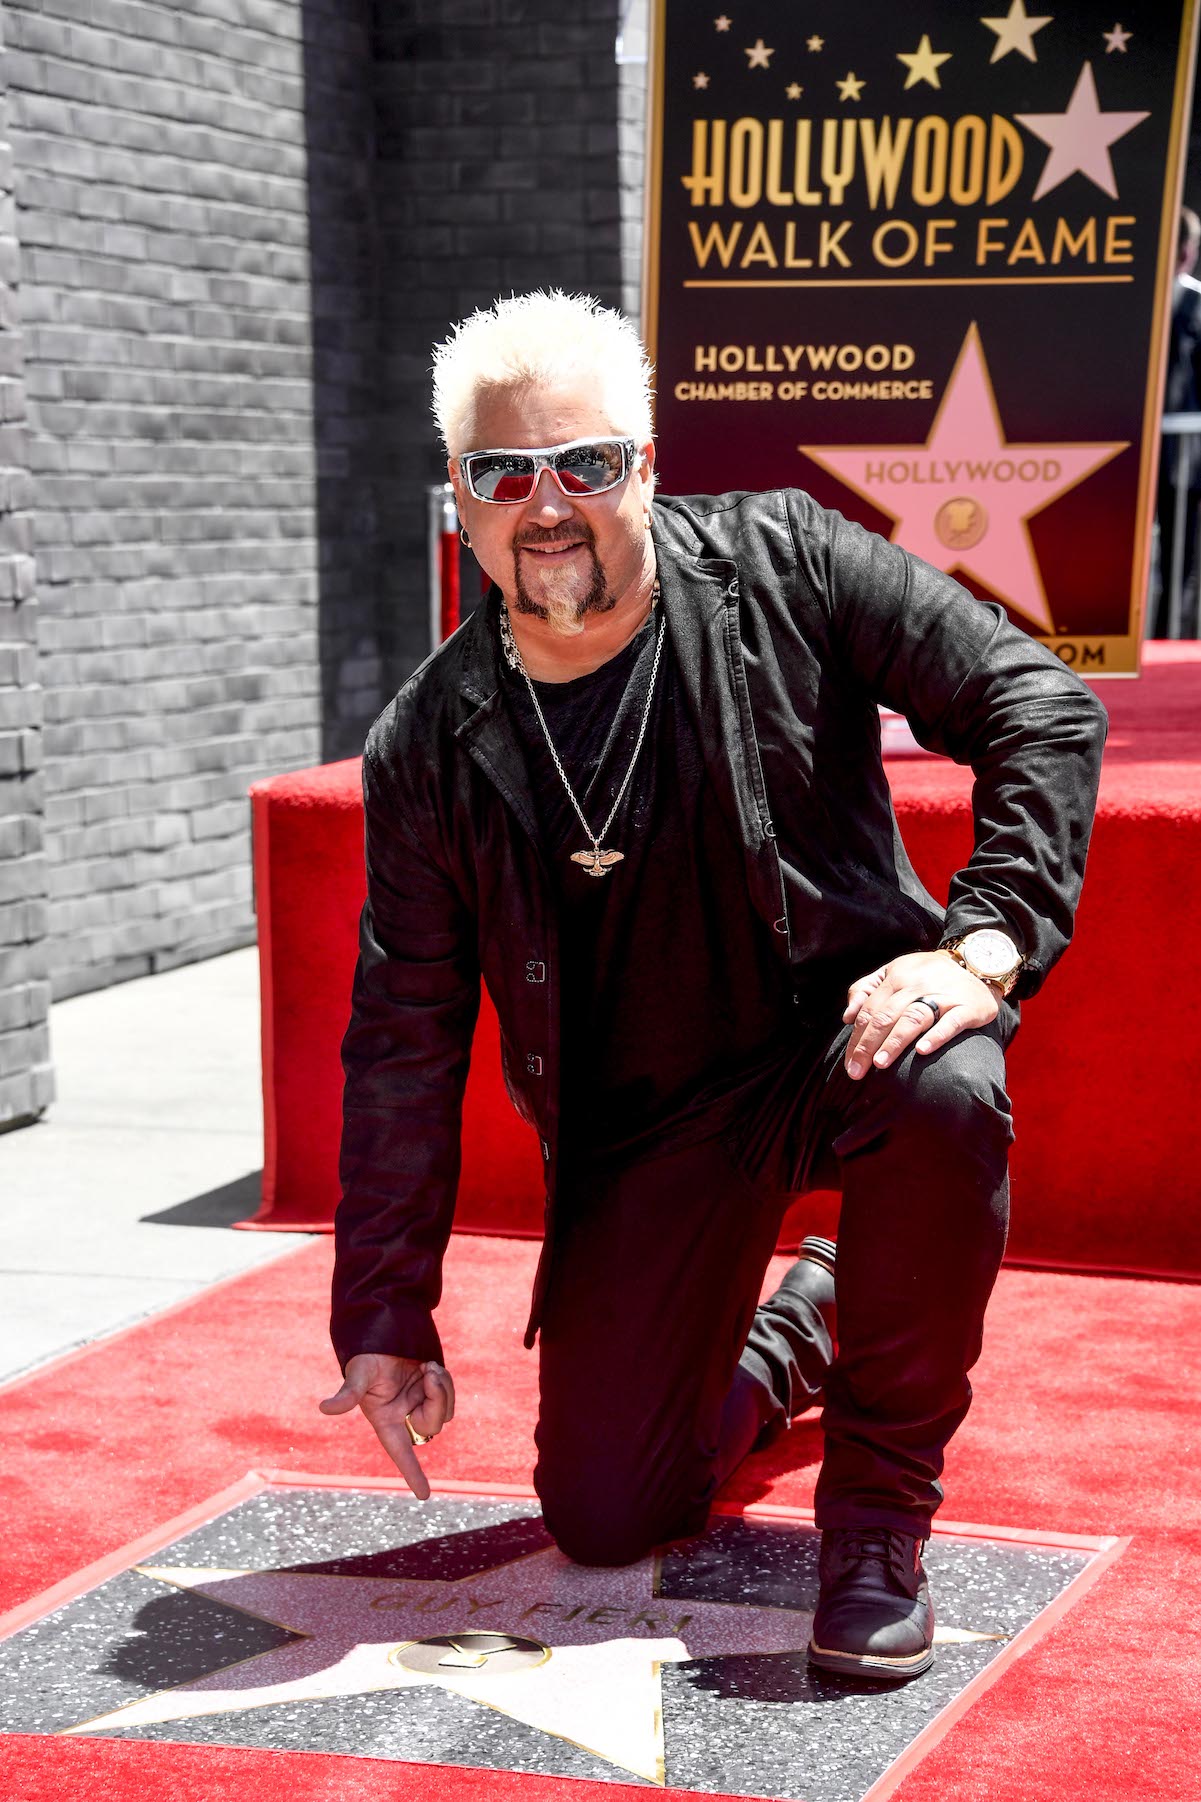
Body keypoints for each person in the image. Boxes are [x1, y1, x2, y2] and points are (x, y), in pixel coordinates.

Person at [320, 291, 1107, 1683]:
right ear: (460, 497)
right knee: (611, 1514)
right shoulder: (430, 742)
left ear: (650, 464)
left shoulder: (785, 564)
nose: (546, 504)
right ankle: (797, 1324)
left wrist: (983, 941)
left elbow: (1035, 702)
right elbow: (404, 1033)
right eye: (504, 473)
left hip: (843, 1036)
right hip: (641, 1126)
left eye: (587, 463)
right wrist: (385, 1312)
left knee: (946, 1075)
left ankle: (874, 1521)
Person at [1152, 206, 1201, 637]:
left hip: (1183, 462)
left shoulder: (1198, 303)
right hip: (1129, 459)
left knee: (1178, 562)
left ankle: (1168, 641)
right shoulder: (1129, 302)